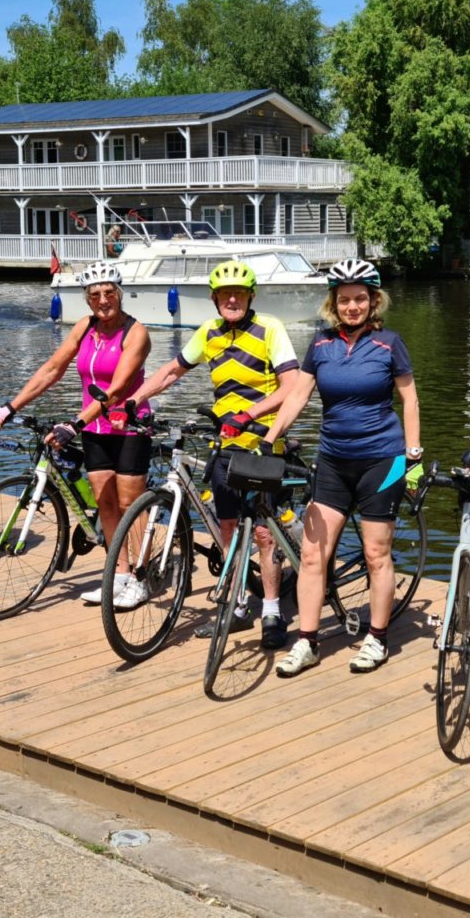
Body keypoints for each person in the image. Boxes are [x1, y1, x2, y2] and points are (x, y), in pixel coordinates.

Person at [126, 260, 302, 649]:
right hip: (224, 444)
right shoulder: (209, 332)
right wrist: (135, 399)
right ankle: (237, 606)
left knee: (263, 533)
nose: (232, 300)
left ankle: (271, 610)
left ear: (251, 297)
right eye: (225, 295)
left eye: (239, 294)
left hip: (263, 442)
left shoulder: (270, 328)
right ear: (214, 299)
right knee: (227, 527)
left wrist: (248, 415)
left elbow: (291, 385)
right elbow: (171, 371)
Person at [261, 258, 422, 677]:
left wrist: (414, 455)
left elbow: (410, 399)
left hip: (384, 460)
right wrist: (269, 437)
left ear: (373, 301)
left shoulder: (390, 343)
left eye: (360, 299)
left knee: (376, 553)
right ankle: (307, 642)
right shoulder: (320, 345)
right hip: (333, 460)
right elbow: (298, 396)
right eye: (345, 300)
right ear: (334, 303)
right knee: (312, 554)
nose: (353, 307)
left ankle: (377, 638)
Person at [0, 261, 151, 609]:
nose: (103, 300)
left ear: (119, 294)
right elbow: (52, 369)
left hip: (128, 426)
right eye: (95, 295)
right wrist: (10, 406)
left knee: (129, 504)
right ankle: (120, 574)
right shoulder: (85, 327)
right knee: (105, 503)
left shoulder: (136, 332)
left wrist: (73, 424)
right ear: (87, 299)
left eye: (109, 293)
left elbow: (117, 388)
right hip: (94, 428)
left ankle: (141, 579)